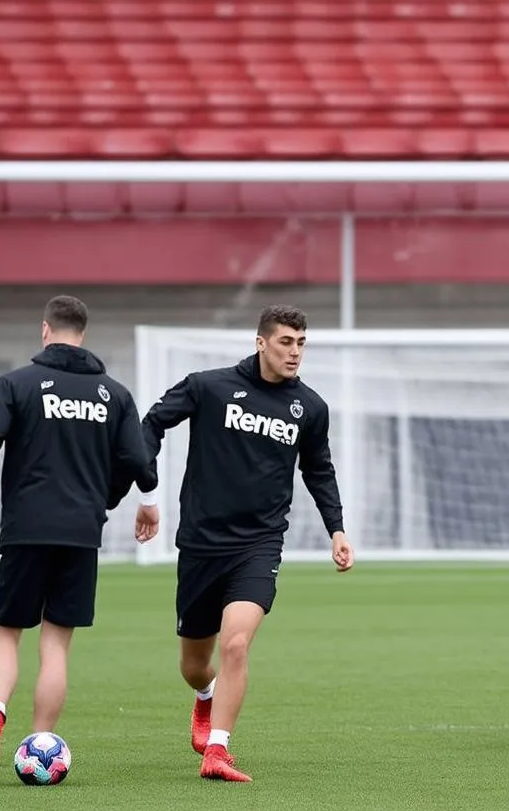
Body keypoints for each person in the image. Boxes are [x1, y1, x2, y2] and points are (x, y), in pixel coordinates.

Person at [129, 305, 354, 782]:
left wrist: (336, 527)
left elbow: (318, 469)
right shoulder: (208, 386)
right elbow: (151, 423)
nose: (294, 352)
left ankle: (218, 750)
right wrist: (146, 487)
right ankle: (205, 697)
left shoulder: (309, 408)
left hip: (260, 544)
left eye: (301, 343)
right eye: (285, 342)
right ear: (260, 342)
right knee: (194, 665)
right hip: (201, 543)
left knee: (235, 644)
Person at [0, 294, 158, 766]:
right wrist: (144, 502)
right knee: (56, 642)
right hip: (81, 531)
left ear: (45, 330)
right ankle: (40, 743)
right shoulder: (114, 394)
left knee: (8, 632)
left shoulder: (17, 384)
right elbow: (135, 458)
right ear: (82, 334)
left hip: (26, 527)